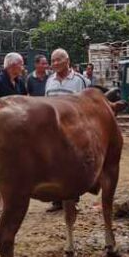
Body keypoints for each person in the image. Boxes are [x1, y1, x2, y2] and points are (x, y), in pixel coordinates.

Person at [45, 48, 91, 212]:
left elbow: (87, 105)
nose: (55, 63)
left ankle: (72, 199)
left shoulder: (81, 80)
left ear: (68, 60)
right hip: (53, 130)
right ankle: (57, 200)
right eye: (53, 60)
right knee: (54, 165)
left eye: (59, 60)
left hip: (73, 129)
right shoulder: (50, 80)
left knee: (73, 164)